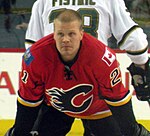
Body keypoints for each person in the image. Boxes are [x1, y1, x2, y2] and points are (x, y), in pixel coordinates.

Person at [5, 9, 150, 136]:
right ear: (53, 34)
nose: (66, 39)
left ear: (81, 34)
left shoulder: (101, 57)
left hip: (99, 108)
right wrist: (19, 132)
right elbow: (29, 101)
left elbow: (117, 98)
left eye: (71, 34)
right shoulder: (35, 56)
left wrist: (133, 131)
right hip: (56, 107)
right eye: (60, 34)